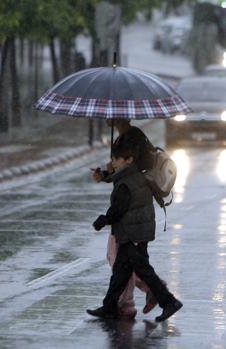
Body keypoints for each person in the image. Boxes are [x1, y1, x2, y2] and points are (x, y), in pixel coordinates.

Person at [87, 143, 183, 322]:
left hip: (134, 233)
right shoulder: (134, 176)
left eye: (116, 159)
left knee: (144, 270)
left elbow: (118, 209)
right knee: (120, 272)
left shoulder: (127, 182)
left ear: (129, 160)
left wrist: (103, 220)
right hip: (134, 231)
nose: (113, 163)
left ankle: (169, 302)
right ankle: (109, 306)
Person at [91, 118, 160, 318]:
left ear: (120, 115)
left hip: (132, 212)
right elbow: (120, 170)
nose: (106, 117)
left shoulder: (132, 138)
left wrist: (106, 218)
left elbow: (130, 172)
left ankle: (128, 303)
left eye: (110, 114)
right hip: (131, 211)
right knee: (126, 261)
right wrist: (104, 175)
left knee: (121, 259)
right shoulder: (126, 136)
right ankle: (145, 294)